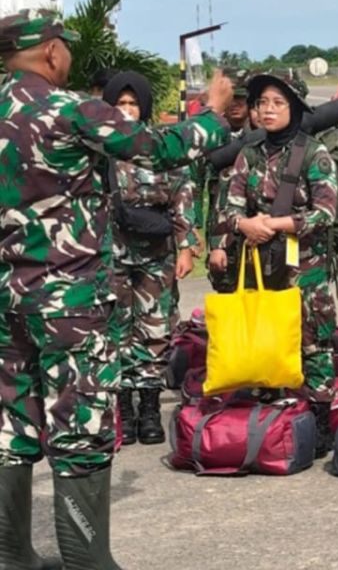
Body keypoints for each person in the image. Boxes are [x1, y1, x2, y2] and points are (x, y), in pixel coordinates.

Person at [0, 9, 232, 568]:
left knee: (12, 420)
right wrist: (213, 112)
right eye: (66, 49)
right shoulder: (68, 108)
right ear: (51, 51)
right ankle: (85, 561)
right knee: (80, 423)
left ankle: (11, 553)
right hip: (70, 302)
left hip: (7, 298)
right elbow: (156, 147)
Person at [214, 73, 338, 456]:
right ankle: (270, 409)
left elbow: (325, 212)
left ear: (295, 108)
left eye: (277, 103)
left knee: (313, 338)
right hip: (260, 260)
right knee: (264, 330)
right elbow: (230, 206)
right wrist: (244, 225)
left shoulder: (313, 153)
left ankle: (320, 418)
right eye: (261, 103)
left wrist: (281, 224)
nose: (266, 110)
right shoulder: (248, 154)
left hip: (304, 262)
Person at [101, 72, 198, 447]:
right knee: (116, 328)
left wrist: (186, 246)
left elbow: (182, 195)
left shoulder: (159, 147)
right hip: (110, 253)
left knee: (156, 328)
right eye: (119, 104)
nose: (126, 111)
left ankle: (150, 406)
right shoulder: (98, 147)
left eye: (132, 104)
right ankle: (123, 406)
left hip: (155, 253)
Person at [205, 70, 252, 293]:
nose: (234, 105)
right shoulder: (211, 135)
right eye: (231, 99)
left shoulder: (261, 137)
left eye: (240, 99)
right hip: (222, 228)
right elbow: (195, 184)